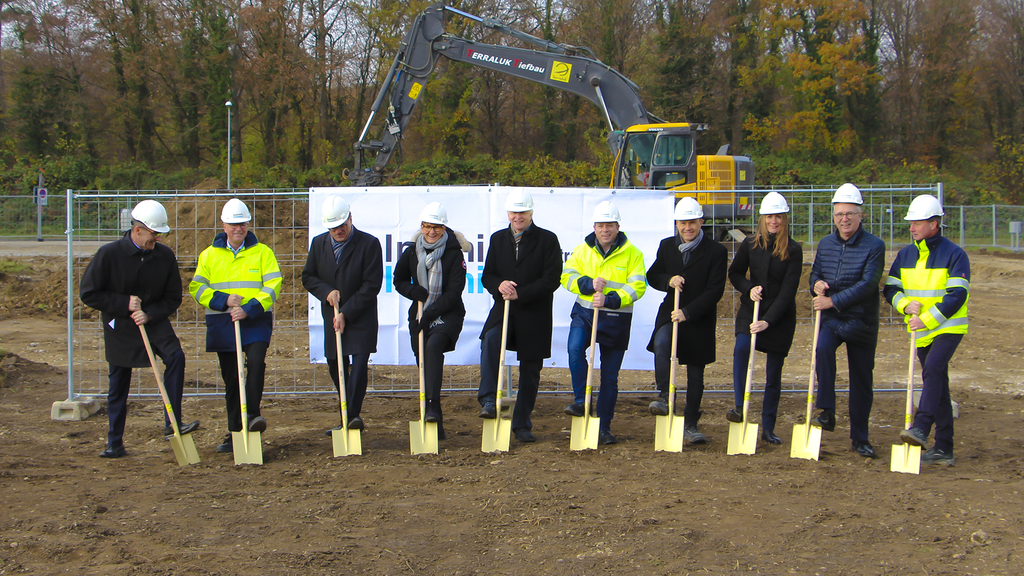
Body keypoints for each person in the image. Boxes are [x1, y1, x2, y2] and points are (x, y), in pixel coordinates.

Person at [80, 199, 199, 458]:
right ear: (137, 230)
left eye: (158, 234)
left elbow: (173, 297)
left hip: (153, 321)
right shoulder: (109, 254)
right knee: (119, 381)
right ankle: (115, 442)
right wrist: (124, 303)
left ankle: (173, 423)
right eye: (153, 234)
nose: (156, 239)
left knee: (176, 357)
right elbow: (89, 293)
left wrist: (150, 314)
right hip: (119, 325)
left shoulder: (165, 256)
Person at [189, 198, 282, 454]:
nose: (238, 228)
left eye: (241, 223)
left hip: (255, 320)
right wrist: (223, 301)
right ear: (224, 225)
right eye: (233, 224)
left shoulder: (263, 252)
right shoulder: (209, 255)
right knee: (231, 377)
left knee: (256, 363)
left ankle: (252, 416)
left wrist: (249, 308)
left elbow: (273, 285)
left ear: (248, 224)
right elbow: (197, 288)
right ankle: (235, 431)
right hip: (223, 322)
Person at [884, 194, 968, 466]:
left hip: (947, 328)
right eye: (911, 223)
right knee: (938, 384)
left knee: (932, 370)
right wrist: (906, 306)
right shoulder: (906, 255)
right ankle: (944, 447)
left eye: (917, 223)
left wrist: (928, 319)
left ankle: (920, 426)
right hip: (921, 330)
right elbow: (891, 290)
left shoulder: (955, 254)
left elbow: (957, 295)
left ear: (934, 223)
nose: (911, 228)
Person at [477, 190, 562, 443]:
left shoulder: (547, 240)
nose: (518, 216)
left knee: (531, 369)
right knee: (490, 340)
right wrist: (499, 285)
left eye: (522, 212)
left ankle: (522, 423)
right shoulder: (498, 239)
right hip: (503, 310)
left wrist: (521, 294)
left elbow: (551, 280)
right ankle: (489, 399)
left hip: (534, 312)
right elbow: (488, 275)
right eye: (514, 212)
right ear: (508, 213)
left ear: (531, 213)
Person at [809, 183, 886, 458]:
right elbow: (814, 273)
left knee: (862, 380)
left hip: (861, 321)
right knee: (822, 349)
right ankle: (827, 411)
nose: (844, 219)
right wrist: (816, 284)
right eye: (840, 213)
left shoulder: (875, 246)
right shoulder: (826, 244)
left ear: (860, 215)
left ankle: (860, 438)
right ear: (834, 216)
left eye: (850, 213)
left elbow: (869, 284)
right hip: (831, 319)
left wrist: (833, 301)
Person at [561, 200, 646, 446]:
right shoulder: (582, 250)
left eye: (609, 225)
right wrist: (587, 285)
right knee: (574, 350)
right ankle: (580, 402)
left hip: (616, 318)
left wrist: (610, 299)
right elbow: (566, 276)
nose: (605, 230)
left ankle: (604, 427)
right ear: (594, 227)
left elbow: (638, 286)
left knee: (609, 376)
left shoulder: (633, 253)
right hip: (585, 313)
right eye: (600, 225)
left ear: (618, 227)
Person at [647, 198, 727, 444]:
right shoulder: (667, 246)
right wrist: (668, 280)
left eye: (692, 222)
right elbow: (653, 275)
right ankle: (663, 395)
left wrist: (689, 312)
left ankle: (691, 424)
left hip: (698, 319)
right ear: (677, 224)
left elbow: (715, 290)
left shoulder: (716, 251)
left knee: (695, 374)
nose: (687, 228)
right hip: (670, 313)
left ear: (701, 222)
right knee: (661, 344)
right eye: (683, 223)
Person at [724, 192, 802, 444]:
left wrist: (768, 320)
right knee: (741, 348)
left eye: (778, 216)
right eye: (770, 216)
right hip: (752, 309)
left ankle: (768, 427)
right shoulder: (750, 245)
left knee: (773, 374)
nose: (774, 221)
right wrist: (749, 288)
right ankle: (739, 407)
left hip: (778, 317)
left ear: (784, 219)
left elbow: (789, 292)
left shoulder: (793, 250)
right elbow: (734, 273)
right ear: (762, 218)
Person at [302, 195, 383, 435]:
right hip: (332, 317)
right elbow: (309, 277)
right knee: (335, 364)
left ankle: (351, 416)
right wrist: (326, 292)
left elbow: (371, 285)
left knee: (358, 365)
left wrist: (347, 312)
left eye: (342, 226)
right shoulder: (318, 244)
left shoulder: (369, 244)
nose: (338, 231)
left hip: (361, 318)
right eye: (333, 227)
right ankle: (347, 411)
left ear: (350, 219)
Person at [393, 202, 470, 441]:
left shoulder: (453, 253)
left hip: (448, 313)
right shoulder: (411, 251)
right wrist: (412, 291)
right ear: (421, 227)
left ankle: (433, 405)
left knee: (433, 347)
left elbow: (454, 291)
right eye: (427, 227)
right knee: (423, 360)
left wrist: (429, 314)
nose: (431, 232)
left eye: (436, 227)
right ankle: (433, 418)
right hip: (419, 312)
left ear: (444, 227)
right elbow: (399, 279)